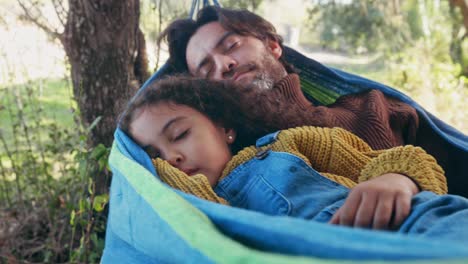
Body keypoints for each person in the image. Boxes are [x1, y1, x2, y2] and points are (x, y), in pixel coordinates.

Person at [157, 6, 467, 198]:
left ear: (273, 46)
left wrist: (404, 178)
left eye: (232, 45)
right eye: (206, 69)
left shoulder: (371, 107)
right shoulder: (222, 157)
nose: (224, 64)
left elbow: (453, 179)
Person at [118, 76, 457, 235]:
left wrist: (394, 180)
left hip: (403, 225)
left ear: (224, 128)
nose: (171, 158)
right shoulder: (185, 210)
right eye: (156, 158)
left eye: (179, 135)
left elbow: (408, 159)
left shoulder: (285, 143)